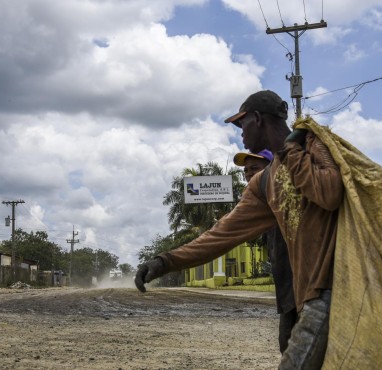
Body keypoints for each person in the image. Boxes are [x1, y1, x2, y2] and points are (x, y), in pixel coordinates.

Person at [135, 90, 343, 369]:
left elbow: (330, 194)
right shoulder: (264, 182)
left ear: (257, 119)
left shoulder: (311, 145)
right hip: (306, 296)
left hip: (333, 288)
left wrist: (291, 149)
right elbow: (221, 235)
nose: (240, 133)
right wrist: (165, 261)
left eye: (241, 124)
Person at [234, 148, 297, 354]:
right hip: (287, 295)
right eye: (246, 171)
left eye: (255, 168)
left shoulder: (289, 198)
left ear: (271, 169)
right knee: (287, 347)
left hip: (305, 292)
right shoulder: (263, 206)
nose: (249, 173)